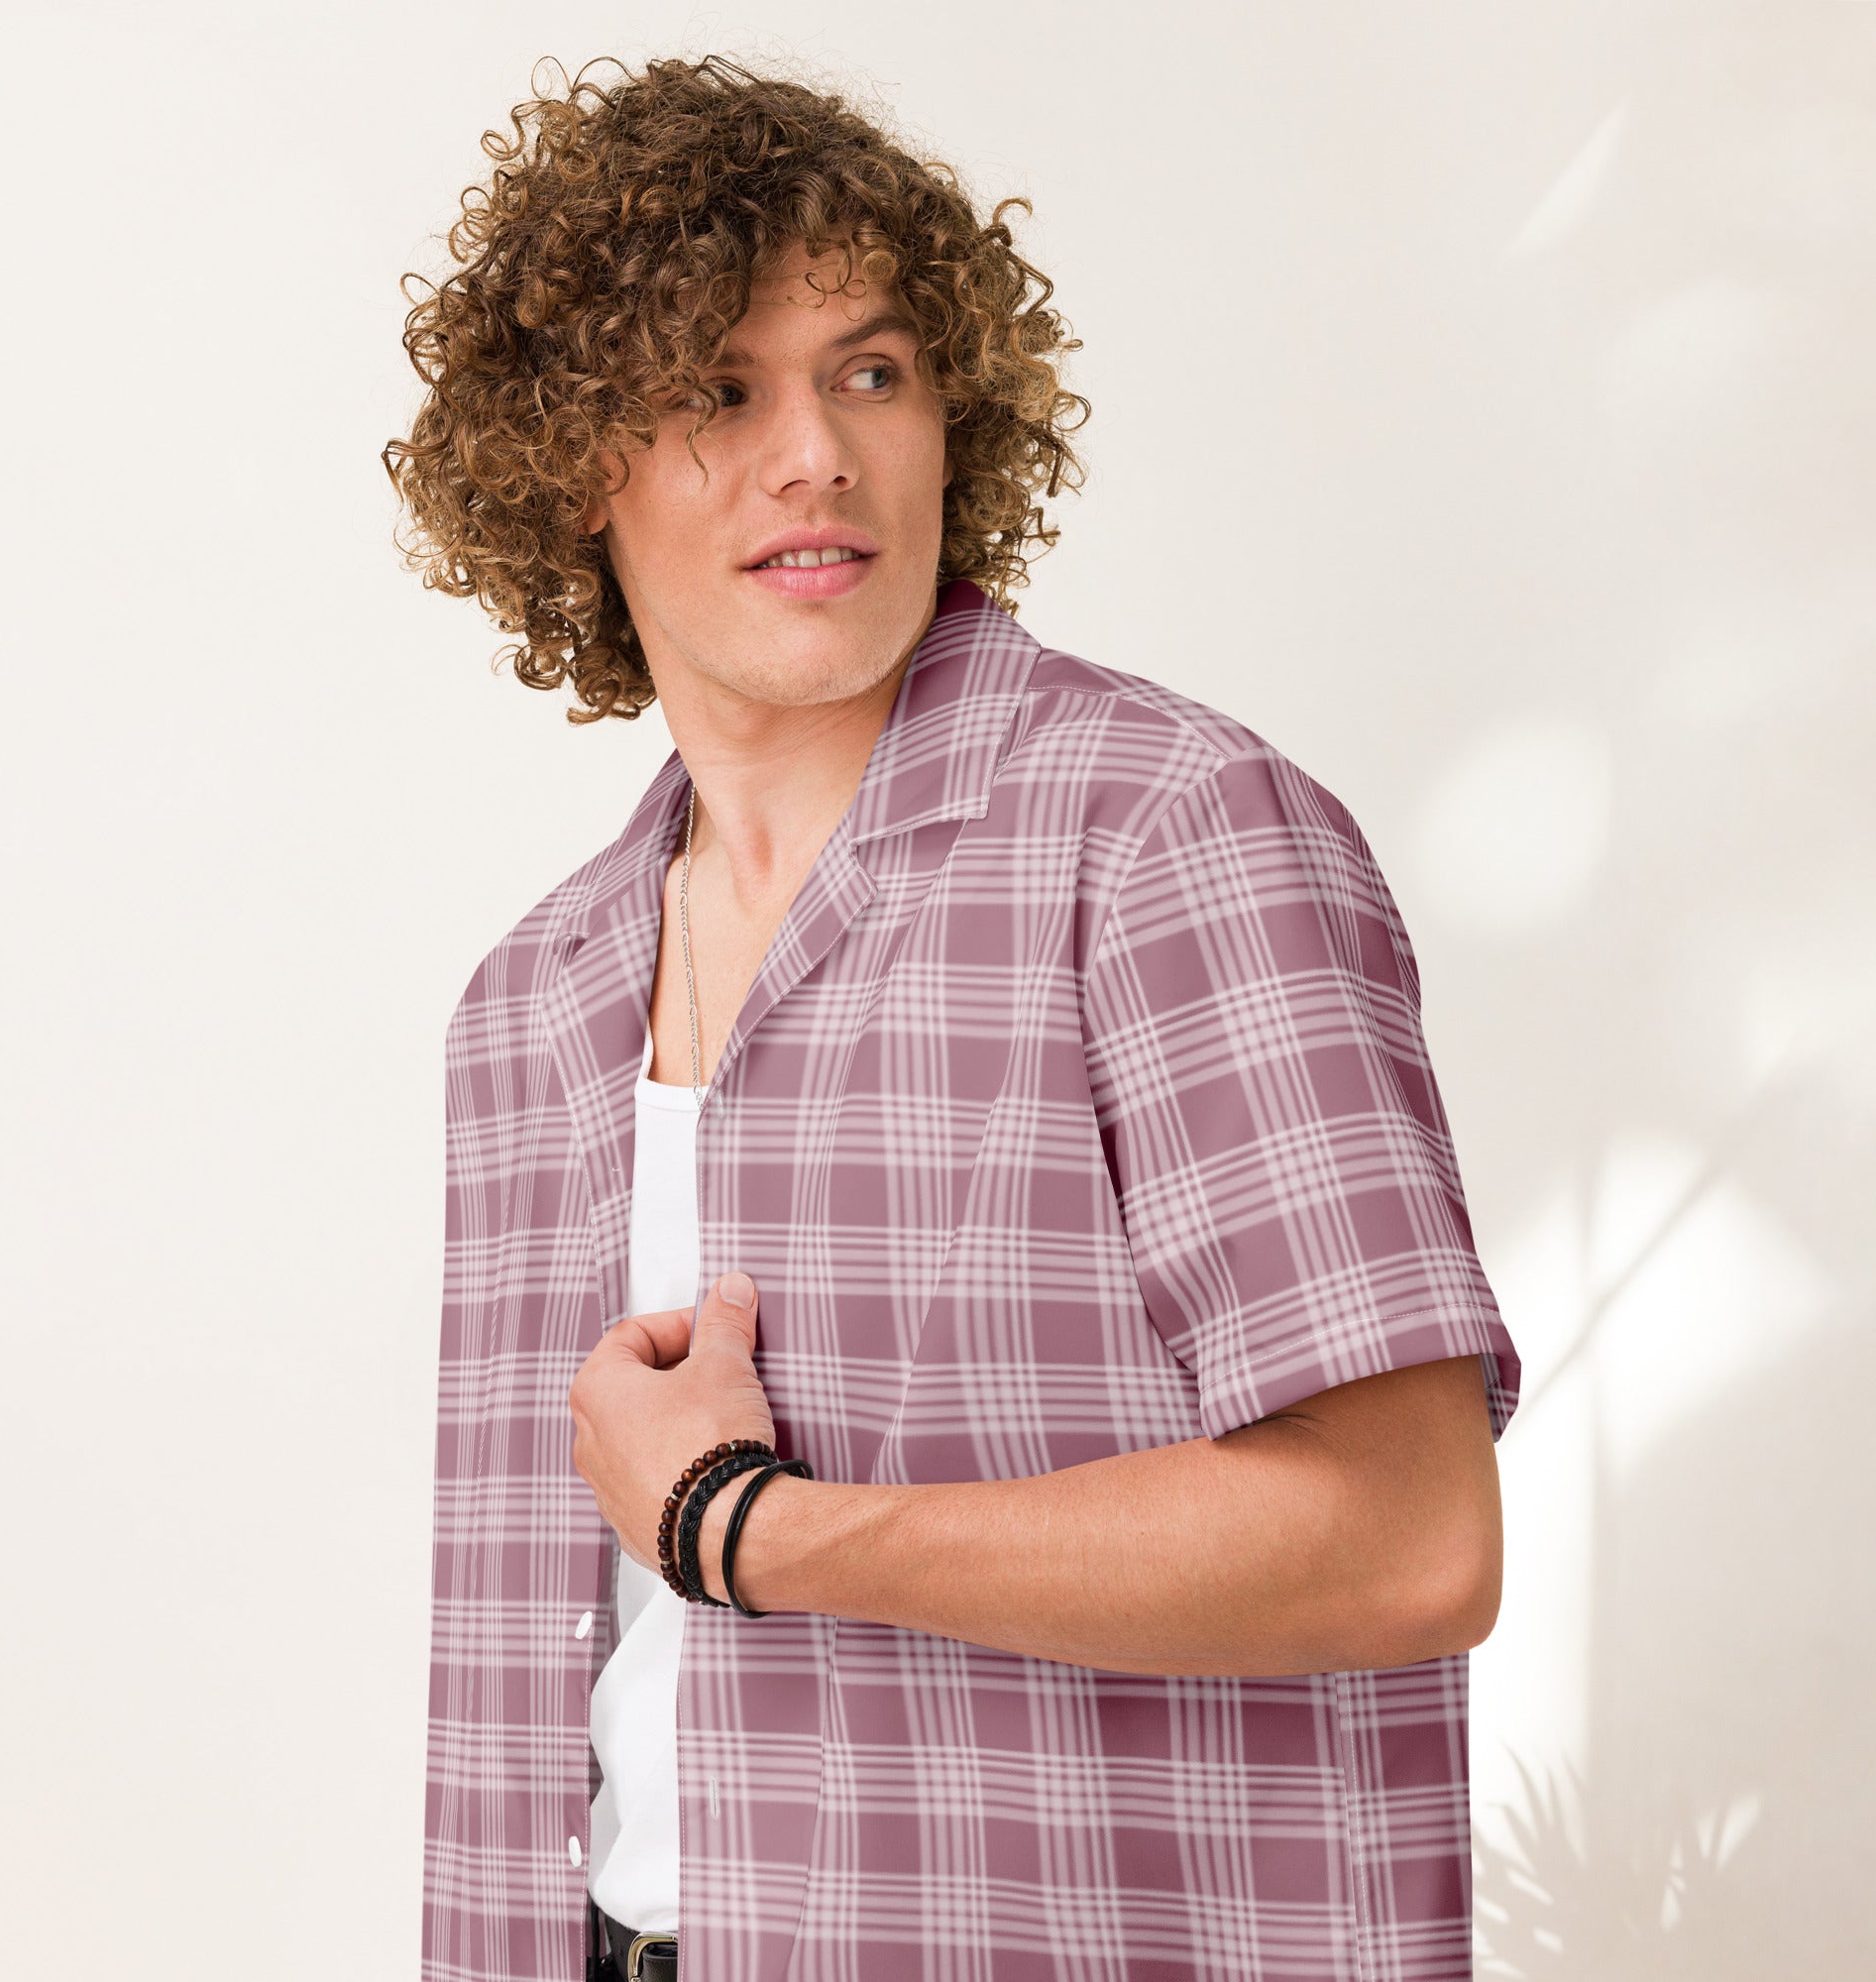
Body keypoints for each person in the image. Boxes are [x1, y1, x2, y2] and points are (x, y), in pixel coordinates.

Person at [385, 53, 1521, 1982]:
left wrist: (752, 1528)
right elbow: (536, 1701)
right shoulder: (530, 1007)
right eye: (716, 390)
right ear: (574, 464)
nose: (814, 454)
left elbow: (1409, 1538)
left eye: (872, 372)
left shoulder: (1167, 843)